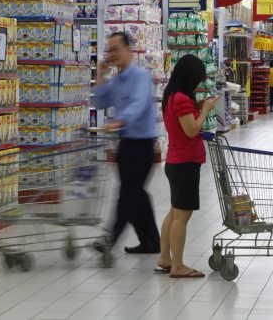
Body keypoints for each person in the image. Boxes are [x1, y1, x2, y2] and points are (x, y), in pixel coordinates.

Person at [93, 32, 161, 254]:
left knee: (128, 194)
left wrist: (120, 120)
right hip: (125, 144)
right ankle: (151, 242)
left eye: (115, 49)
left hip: (142, 145)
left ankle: (109, 239)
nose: (111, 54)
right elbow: (101, 100)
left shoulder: (140, 76)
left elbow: (139, 104)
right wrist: (101, 76)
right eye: (109, 50)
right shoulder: (117, 80)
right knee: (137, 195)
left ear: (128, 50)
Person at [155, 55, 218, 278]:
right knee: (182, 216)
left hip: (176, 161)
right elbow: (191, 130)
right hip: (185, 163)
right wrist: (205, 109)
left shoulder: (172, 96)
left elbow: (184, 125)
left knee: (174, 212)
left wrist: (199, 107)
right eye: (197, 79)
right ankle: (178, 265)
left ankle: (165, 257)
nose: (199, 84)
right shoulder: (181, 99)